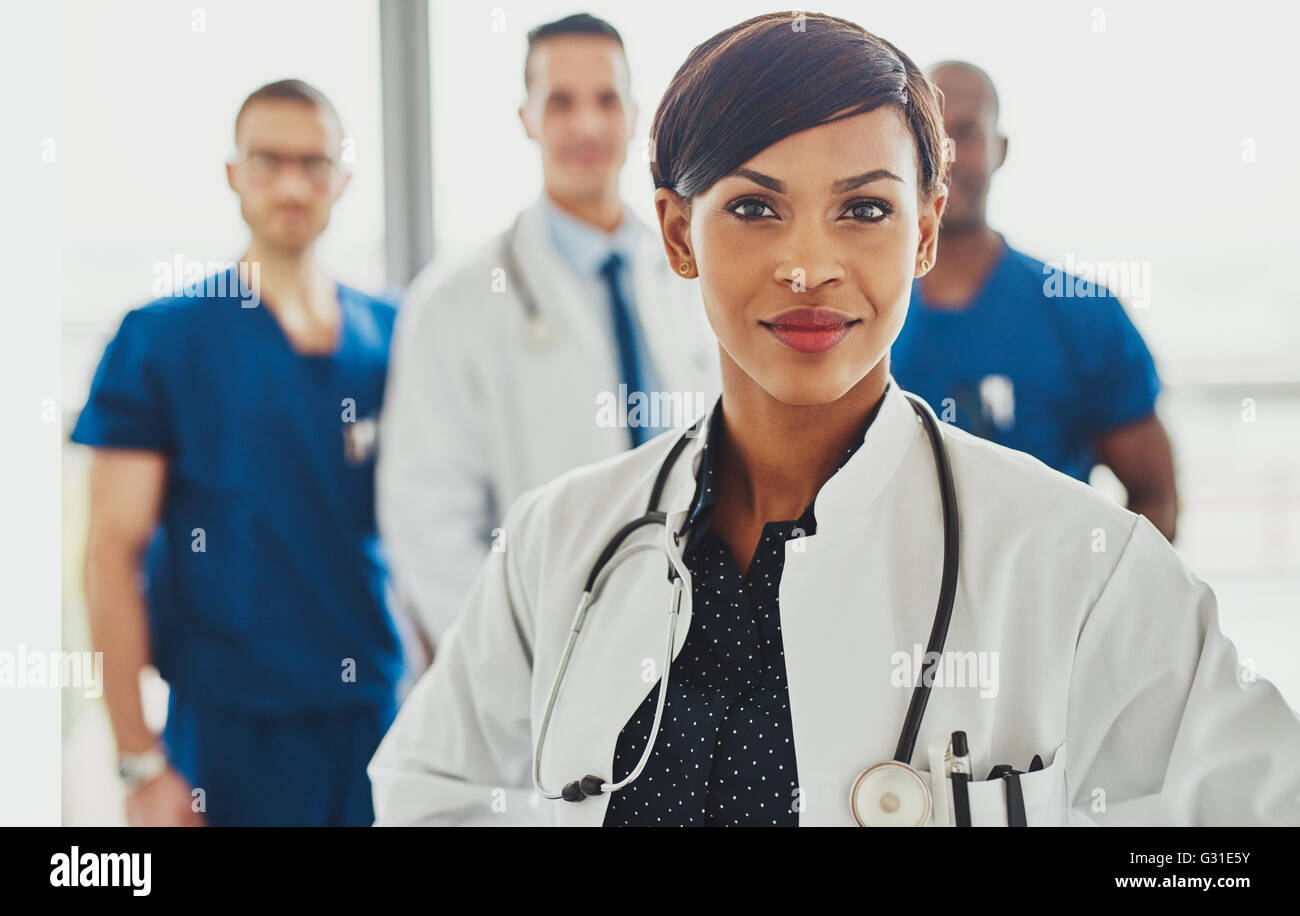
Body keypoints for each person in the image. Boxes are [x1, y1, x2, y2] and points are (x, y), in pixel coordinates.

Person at [367, 12, 1300, 827]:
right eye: (753, 207)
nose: (808, 264)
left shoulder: (1084, 568)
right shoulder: (552, 548)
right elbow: (429, 795)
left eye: (863, 208)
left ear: (925, 230)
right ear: (679, 233)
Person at [73, 79, 405, 826]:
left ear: (341, 179)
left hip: (376, 714)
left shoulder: (393, 333)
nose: (292, 183)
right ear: (234, 174)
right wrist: (139, 761)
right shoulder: (162, 339)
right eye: (268, 160)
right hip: (228, 734)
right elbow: (109, 554)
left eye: (314, 163)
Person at [377, 13, 719, 651]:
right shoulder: (454, 304)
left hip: (699, 644)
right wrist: (518, 668)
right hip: (546, 658)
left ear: (634, 115)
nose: (586, 124)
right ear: (527, 118)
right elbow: (426, 523)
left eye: (605, 100)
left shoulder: (694, 275)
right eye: (560, 102)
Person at [891, 61, 1178, 541]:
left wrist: (1103, 611)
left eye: (966, 133)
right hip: (896, 613)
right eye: (932, 137)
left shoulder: (1083, 313)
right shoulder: (858, 315)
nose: (949, 157)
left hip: (1048, 610)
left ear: (1000, 149)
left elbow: (1155, 496)